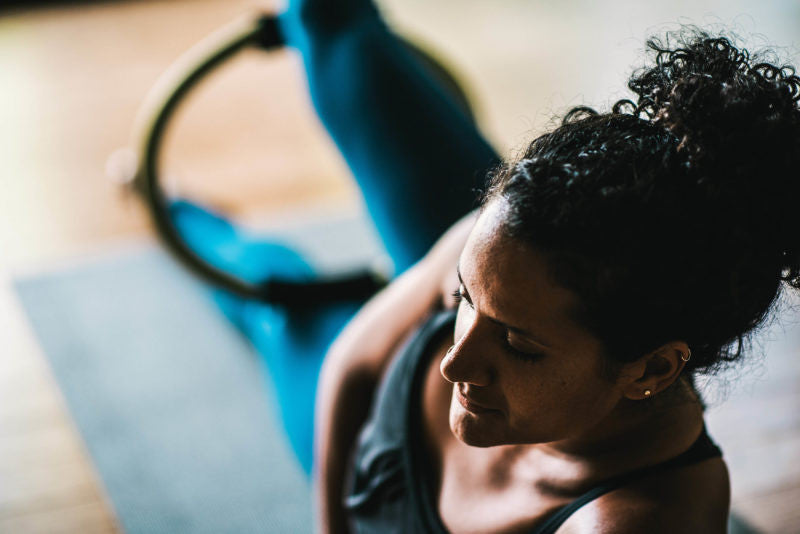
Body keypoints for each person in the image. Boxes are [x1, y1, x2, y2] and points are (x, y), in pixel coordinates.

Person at [312, 29, 800, 534]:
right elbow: (350, 366)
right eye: (463, 297)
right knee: (338, 37)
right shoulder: (499, 249)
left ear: (652, 370)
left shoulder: (638, 521)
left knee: (282, 301)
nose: (453, 364)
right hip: (373, 416)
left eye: (518, 345)